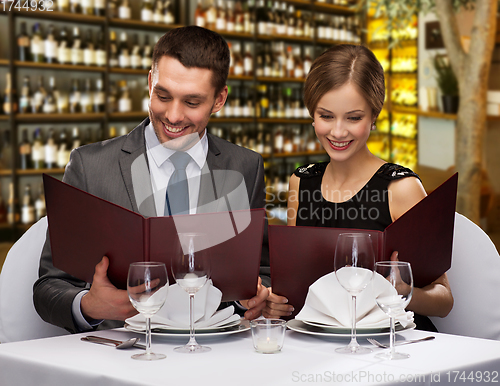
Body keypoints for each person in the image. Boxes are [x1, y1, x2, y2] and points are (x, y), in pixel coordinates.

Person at [33, 26, 269, 333]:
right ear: (149, 83)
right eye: (163, 95)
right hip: (122, 359)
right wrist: (88, 306)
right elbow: (48, 287)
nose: (173, 116)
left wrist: (256, 297)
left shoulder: (246, 167)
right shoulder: (90, 166)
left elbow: (260, 271)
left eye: (192, 102)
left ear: (219, 99)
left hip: (214, 354)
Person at [263, 44, 453, 331]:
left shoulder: (401, 187)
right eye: (326, 116)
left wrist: (402, 292)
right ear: (311, 114)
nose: (338, 132)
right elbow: (295, 287)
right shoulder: (300, 182)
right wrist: (278, 302)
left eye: (354, 118)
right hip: (321, 344)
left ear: (374, 116)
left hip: (390, 344)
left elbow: (445, 300)